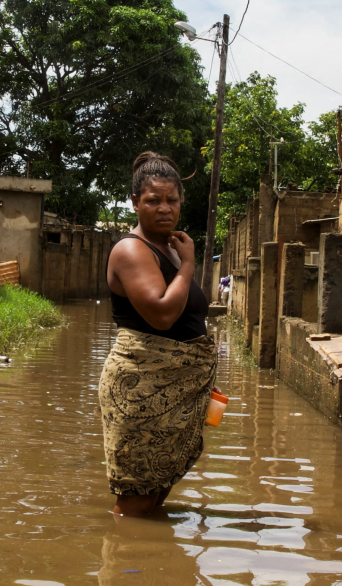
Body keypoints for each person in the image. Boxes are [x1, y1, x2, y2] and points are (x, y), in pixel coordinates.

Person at [99, 151, 215, 518]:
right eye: (153, 200)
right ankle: (123, 563)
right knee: (135, 500)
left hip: (173, 392)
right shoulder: (131, 250)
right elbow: (163, 314)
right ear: (135, 202)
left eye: (172, 200)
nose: (164, 208)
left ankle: (152, 567)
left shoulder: (171, 249)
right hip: (142, 391)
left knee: (153, 496)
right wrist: (191, 265)